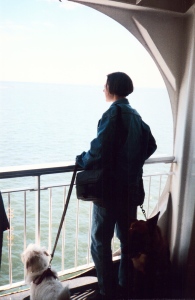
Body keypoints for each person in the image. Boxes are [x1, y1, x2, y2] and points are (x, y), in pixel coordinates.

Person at [76, 72, 157, 299]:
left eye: (105, 85)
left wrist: (81, 159)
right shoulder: (136, 115)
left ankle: (107, 291)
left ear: (111, 87)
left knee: (100, 241)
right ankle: (124, 286)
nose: (103, 89)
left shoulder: (113, 114)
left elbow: (98, 152)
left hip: (109, 191)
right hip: (131, 190)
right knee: (126, 239)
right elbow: (151, 145)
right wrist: (132, 162)